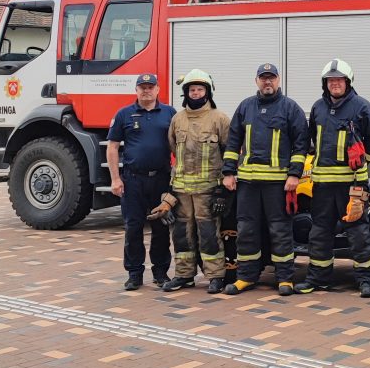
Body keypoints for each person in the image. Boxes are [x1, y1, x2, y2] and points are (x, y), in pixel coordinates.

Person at [296, 59, 370, 298]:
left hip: (352, 184)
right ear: (325, 84)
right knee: (320, 232)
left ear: (348, 81)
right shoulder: (317, 108)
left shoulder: (361, 107)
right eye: (331, 80)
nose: (335, 84)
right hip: (323, 185)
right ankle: (318, 278)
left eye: (339, 80)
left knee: (357, 232)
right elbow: (313, 136)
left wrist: (364, 158)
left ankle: (366, 281)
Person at [221, 63, 309, 296]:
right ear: (256, 81)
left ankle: (285, 279)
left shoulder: (290, 108)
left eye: (271, 78)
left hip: (277, 185)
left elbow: (301, 144)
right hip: (248, 185)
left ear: (278, 80)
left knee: (280, 231)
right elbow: (233, 142)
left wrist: (294, 174)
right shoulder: (245, 107)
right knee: (246, 230)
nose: (267, 82)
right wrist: (228, 172)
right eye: (263, 78)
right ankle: (246, 277)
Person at [160, 70, 232, 295]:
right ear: (186, 93)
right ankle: (184, 275)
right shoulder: (177, 119)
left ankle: (215, 276)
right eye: (192, 90)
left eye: (200, 89)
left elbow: (229, 152)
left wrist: (221, 190)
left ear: (207, 92)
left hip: (208, 190)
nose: (196, 93)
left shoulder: (219, 119)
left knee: (209, 234)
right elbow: (174, 149)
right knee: (181, 235)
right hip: (181, 190)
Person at [107, 73, 177, 291]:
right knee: (133, 228)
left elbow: (178, 145)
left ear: (158, 89)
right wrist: (115, 179)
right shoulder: (124, 114)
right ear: (136, 90)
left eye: (150, 86)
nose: (146, 90)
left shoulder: (170, 113)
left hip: (161, 180)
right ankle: (134, 274)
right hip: (133, 180)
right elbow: (112, 147)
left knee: (161, 228)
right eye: (142, 87)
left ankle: (160, 273)